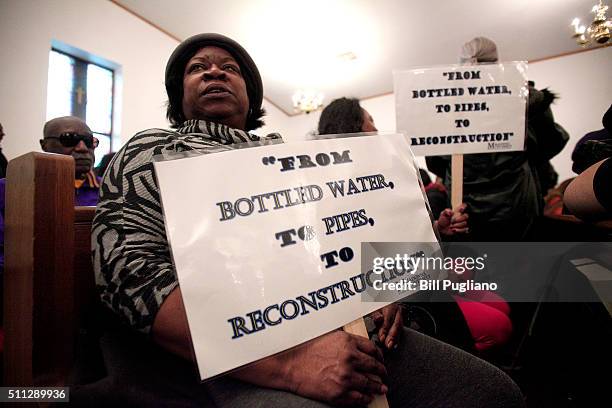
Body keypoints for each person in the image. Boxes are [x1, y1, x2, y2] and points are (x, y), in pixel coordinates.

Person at [90, 33, 524, 407]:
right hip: (231, 355)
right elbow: (129, 275)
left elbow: (341, 238)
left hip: (355, 331)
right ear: (178, 93)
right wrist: (290, 362)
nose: (214, 72)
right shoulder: (149, 152)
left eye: (230, 68)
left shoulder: (293, 159)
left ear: (251, 93)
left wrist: (385, 288)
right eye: (197, 68)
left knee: (492, 394)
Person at [426, 37, 569, 241]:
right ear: (496, 63)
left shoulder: (441, 107)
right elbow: (552, 143)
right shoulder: (525, 100)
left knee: (477, 264)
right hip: (518, 201)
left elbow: (435, 163)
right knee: (524, 262)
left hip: (464, 205)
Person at [0, 116, 100, 272]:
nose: (82, 148)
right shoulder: (10, 189)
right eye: (69, 139)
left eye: (88, 141)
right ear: (44, 145)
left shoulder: (110, 190)